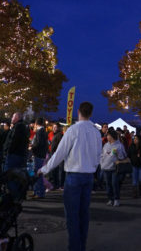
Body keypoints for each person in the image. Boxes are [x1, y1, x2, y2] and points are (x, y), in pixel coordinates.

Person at [38, 102, 102, 251]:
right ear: (91, 113)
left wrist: (44, 169)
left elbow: (60, 154)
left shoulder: (73, 130)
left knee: (72, 216)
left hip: (74, 175)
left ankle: (75, 247)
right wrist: (92, 167)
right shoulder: (96, 132)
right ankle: (81, 246)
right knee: (84, 214)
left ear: (79, 111)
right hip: (88, 176)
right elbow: (98, 155)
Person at [100, 128, 127, 207]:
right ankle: (110, 199)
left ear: (111, 136)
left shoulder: (119, 145)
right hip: (105, 168)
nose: (107, 137)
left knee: (114, 184)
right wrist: (101, 163)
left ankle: (116, 199)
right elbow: (102, 155)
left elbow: (123, 157)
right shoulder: (106, 145)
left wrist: (118, 155)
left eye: (108, 135)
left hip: (115, 169)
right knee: (108, 185)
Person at [30, 117, 48, 198]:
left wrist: (31, 147)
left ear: (36, 124)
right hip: (41, 155)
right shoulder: (44, 131)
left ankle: (39, 193)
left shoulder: (40, 132)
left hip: (38, 155)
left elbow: (38, 143)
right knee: (37, 174)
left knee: (38, 174)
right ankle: (37, 191)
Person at [49, 123, 64, 190]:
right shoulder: (54, 135)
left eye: (56, 127)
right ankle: (56, 184)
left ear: (58, 128)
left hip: (57, 155)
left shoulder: (59, 135)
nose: (54, 128)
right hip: (53, 154)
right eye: (53, 127)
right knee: (55, 170)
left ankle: (58, 185)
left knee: (58, 171)